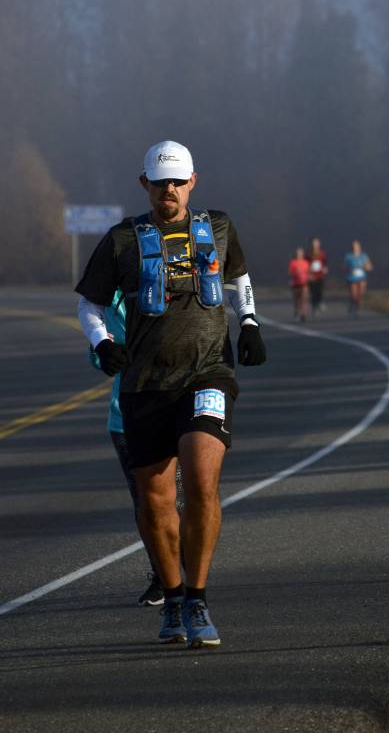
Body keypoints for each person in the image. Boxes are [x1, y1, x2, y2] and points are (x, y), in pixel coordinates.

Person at [76, 140, 267, 648]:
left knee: (202, 475)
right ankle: (176, 597)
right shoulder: (121, 240)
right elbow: (90, 306)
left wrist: (248, 322)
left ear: (193, 181)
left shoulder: (218, 227)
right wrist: (104, 342)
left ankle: (200, 596)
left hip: (208, 373)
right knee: (157, 499)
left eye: (179, 181)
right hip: (143, 384)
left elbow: (240, 276)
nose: (170, 190)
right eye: (161, 182)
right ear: (145, 184)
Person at [85, 289, 184, 607]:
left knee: (175, 501)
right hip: (125, 417)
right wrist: (103, 349)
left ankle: (187, 582)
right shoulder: (107, 296)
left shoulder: (171, 281)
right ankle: (163, 577)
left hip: (173, 407)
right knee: (146, 504)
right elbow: (100, 360)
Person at [344, 239, 373, 316]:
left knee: (361, 295)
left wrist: (366, 267)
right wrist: (349, 269)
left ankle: (356, 309)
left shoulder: (363, 256)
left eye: (356, 246)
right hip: (352, 278)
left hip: (362, 278)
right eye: (353, 246)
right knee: (354, 295)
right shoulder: (349, 256)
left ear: (359, 247)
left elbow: (370, 266)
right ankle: (353, 307)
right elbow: (344, 267)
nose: (355, 247)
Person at [306, 237, 328, 314]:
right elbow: (306, 264)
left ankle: (320, 303)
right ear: (312, 244)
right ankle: (314, 306)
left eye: (316, 243)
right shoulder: (309, 254)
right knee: (313, 292)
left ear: (319, 244)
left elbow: (325, 263)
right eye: (314, 243)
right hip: (312, 276)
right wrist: (308, 274)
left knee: (320, 290)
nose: (315, 244)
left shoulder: (322, 254)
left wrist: (325, 269)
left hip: (320, 275)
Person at [288, 247, 310, 322]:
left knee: (304, 299)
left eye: (301, 253)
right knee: (297, 300)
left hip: (304, 283)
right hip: (296, 283)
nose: (299, 254)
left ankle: (303, 314)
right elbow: (290, 272)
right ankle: (297, 311)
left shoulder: (305, 262)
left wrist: (308, 277)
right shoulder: (293, 263)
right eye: (298, 253)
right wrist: (295, 275)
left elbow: (308, 272)